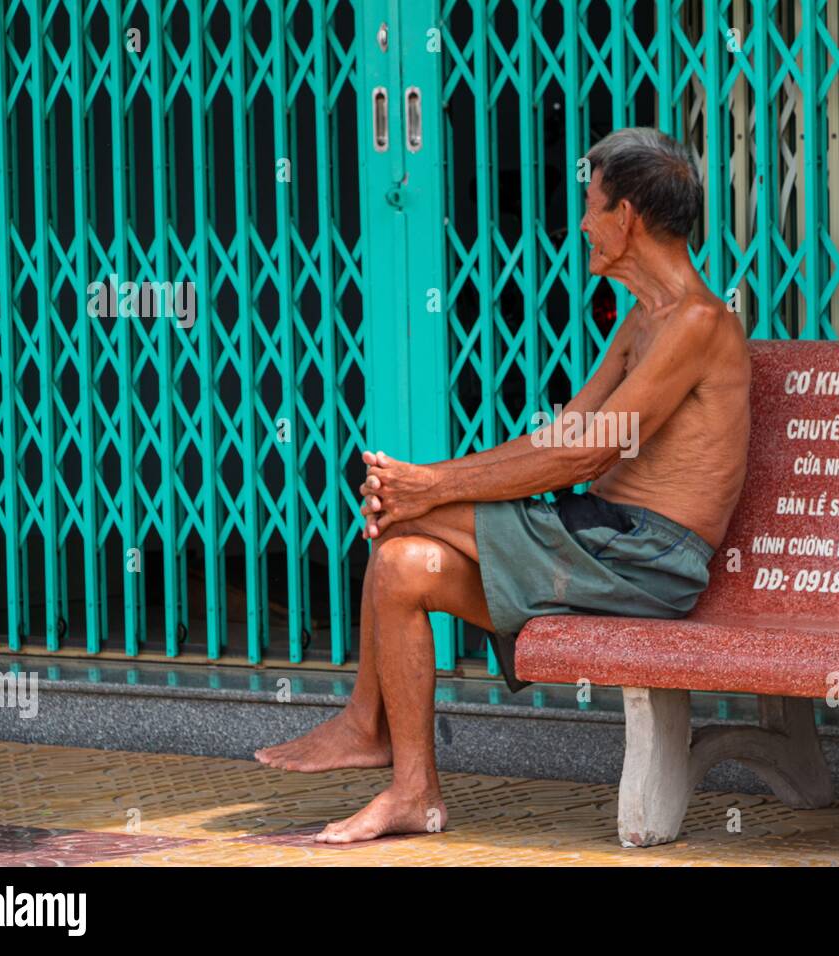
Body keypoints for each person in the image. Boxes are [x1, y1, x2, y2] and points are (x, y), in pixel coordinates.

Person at [255, 126, 752, 843]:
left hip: (644, 560)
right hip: (597, 541)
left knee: (400, 515)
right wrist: (433, 484)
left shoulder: (700, 322)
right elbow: (563, 436)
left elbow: (584, 455)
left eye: (590, 204)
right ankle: (414, 793)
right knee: (400, 563)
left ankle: (367, 726)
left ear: (627, 218)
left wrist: (431, 487)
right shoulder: (646, 320)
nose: (580, 222)